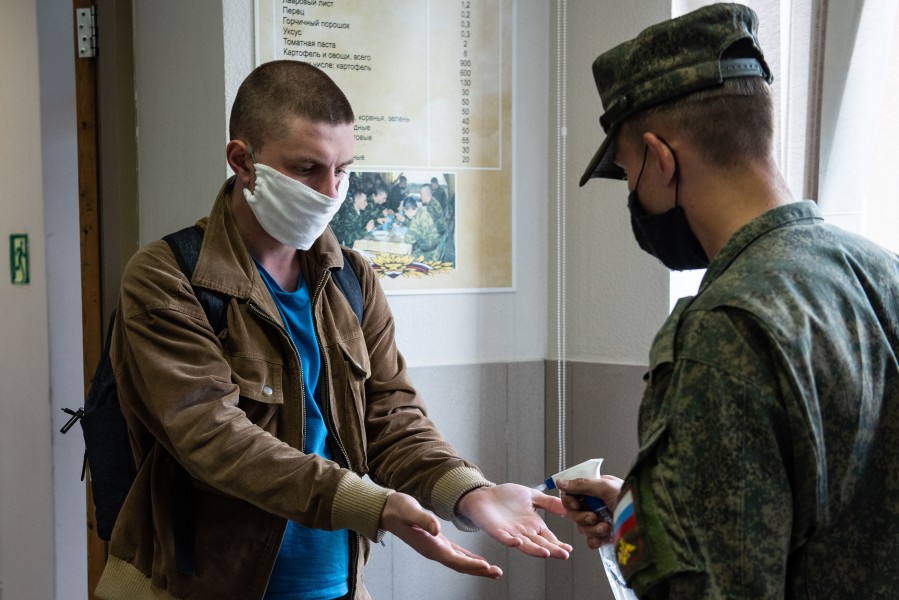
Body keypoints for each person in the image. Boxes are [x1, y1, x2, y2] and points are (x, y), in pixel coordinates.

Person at [96, 60, 571, 600]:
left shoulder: (351, 278)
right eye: (307, 169)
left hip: (336, 587)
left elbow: (392, 419)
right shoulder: (167, 276)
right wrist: (373, 504)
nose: (330, 191)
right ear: (242, 161)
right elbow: (213, 438)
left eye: (343, 169)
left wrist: (466, 493)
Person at [559, 4, 899, 599]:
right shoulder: (880, 274)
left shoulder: (724, 328)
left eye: (629, 169)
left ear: (661, 159)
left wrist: (653, 539)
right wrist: (639, 519)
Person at [401, 195, 441, 261]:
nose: (405, 214)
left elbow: (408, 239)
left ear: (410, 209)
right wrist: (405, 220)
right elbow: (417, 227)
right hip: (434, 247)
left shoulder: (416, 219)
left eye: (405, 211)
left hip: (429, 254)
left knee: (405, 260)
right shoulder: (420, 211)